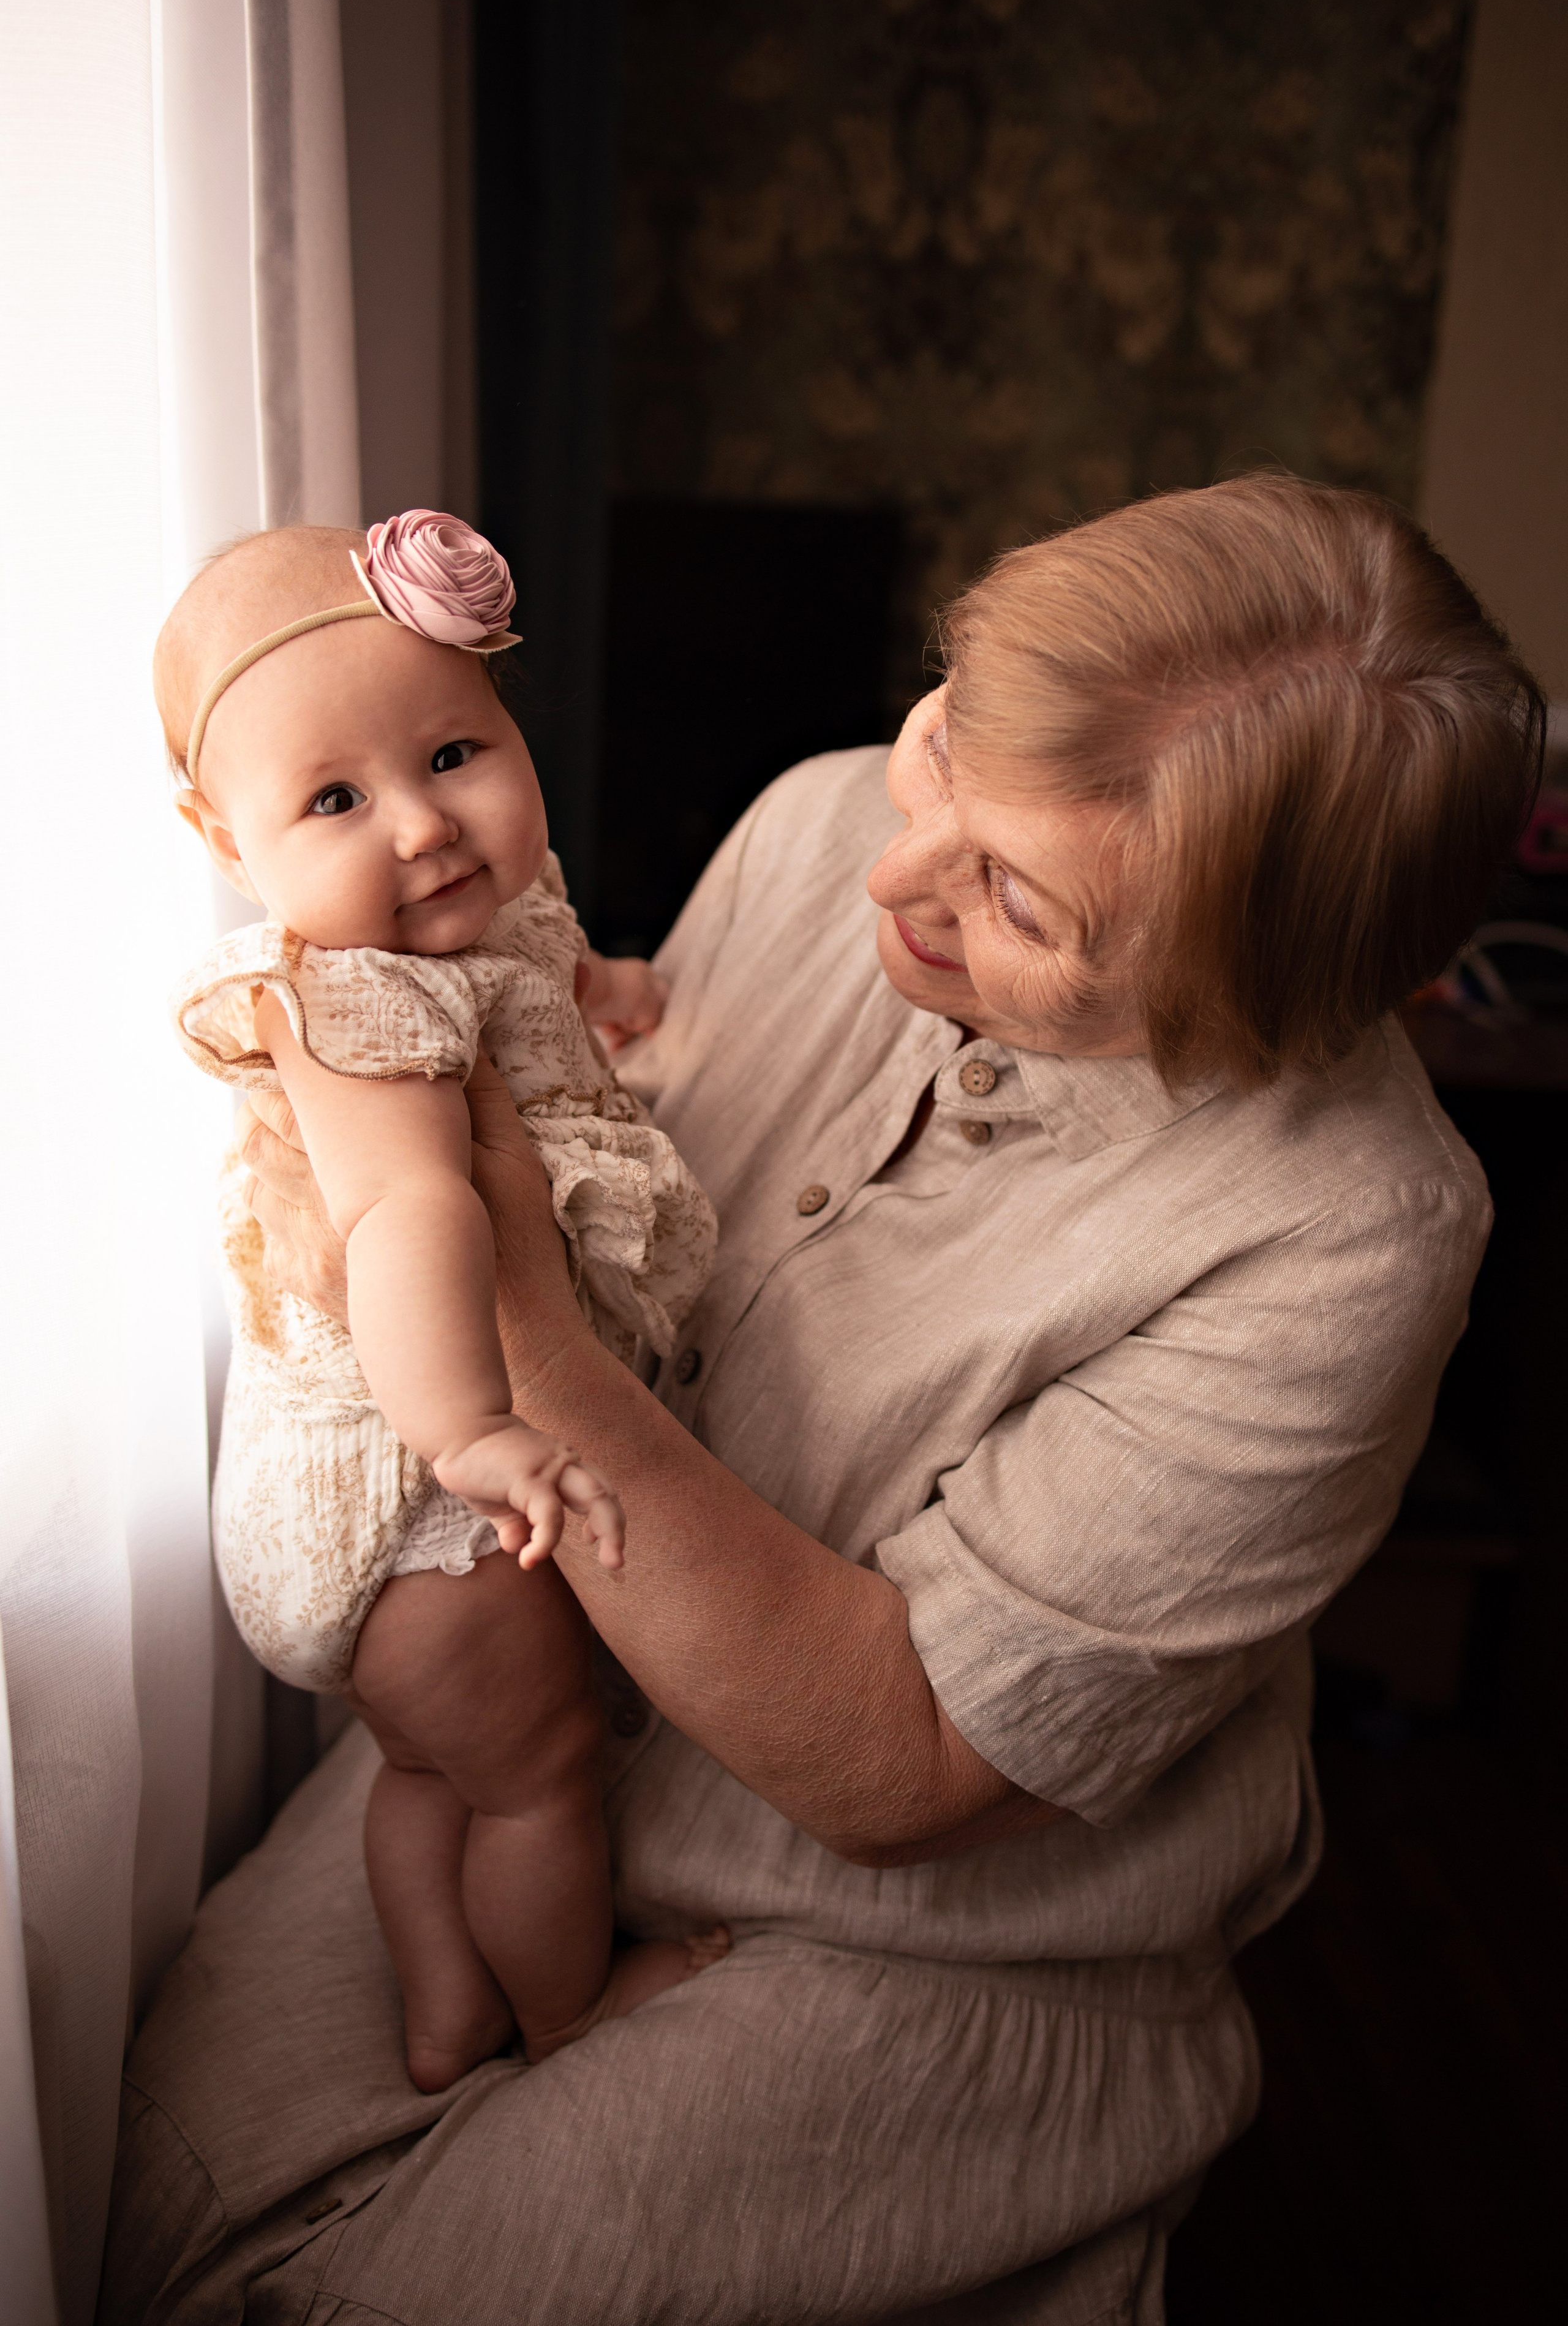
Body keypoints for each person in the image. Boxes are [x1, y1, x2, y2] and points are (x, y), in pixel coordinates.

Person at [105, 475, 1542, 2326]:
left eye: (1016, 899)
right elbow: (609, 1102)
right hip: (542, 1716)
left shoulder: (1353, 1232)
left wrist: (506, 1304)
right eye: (941, 745)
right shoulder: (816, 815)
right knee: (163, 2203)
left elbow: (899, 1768)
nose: (884, 870)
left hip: (912, 1929)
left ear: (1258, 993)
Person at [159, 510, 721, 2090]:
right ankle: (564, 2010)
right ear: (224, 835)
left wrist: (609, 994)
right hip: (424, 1506)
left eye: (456, 752)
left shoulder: (470, 932)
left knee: (427, 1770)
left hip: (385, 1528)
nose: (422, 827)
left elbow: (540, 982)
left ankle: (443, 2007)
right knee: (541, 1780)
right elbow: (410, 1212)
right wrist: (477, 1432)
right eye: (334, 798)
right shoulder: (350, 1007)